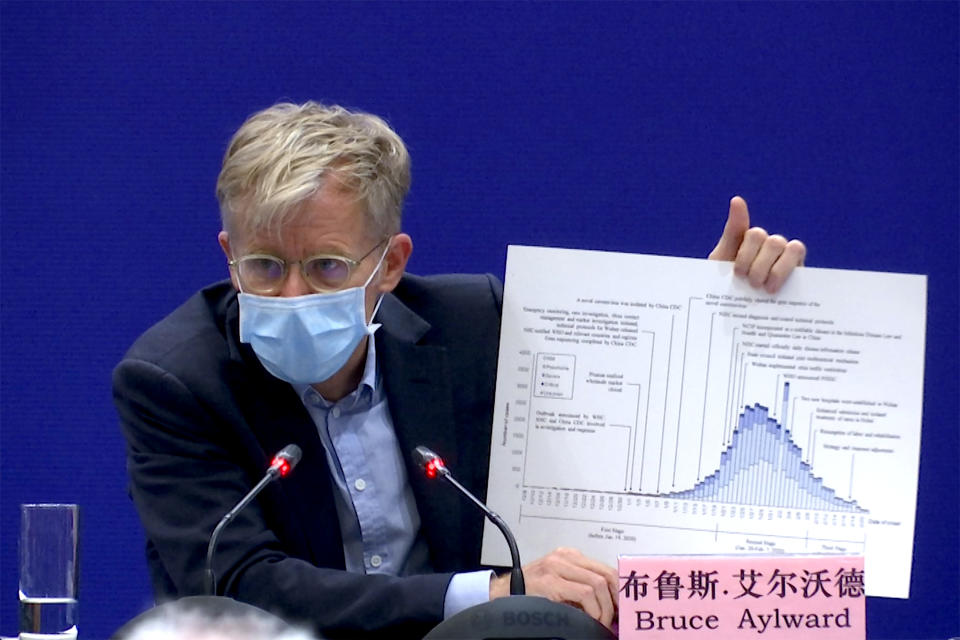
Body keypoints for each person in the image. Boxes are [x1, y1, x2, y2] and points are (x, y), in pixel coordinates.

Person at [113, 101, 806, 638]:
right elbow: (241, 586)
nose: (292, 295)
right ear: (227, 253)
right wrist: (490, 592)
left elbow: (623, 408)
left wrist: (711, 313)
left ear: (390, 263)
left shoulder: (476, 326)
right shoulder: (173, 381)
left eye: (326, 266)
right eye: (264, 266)